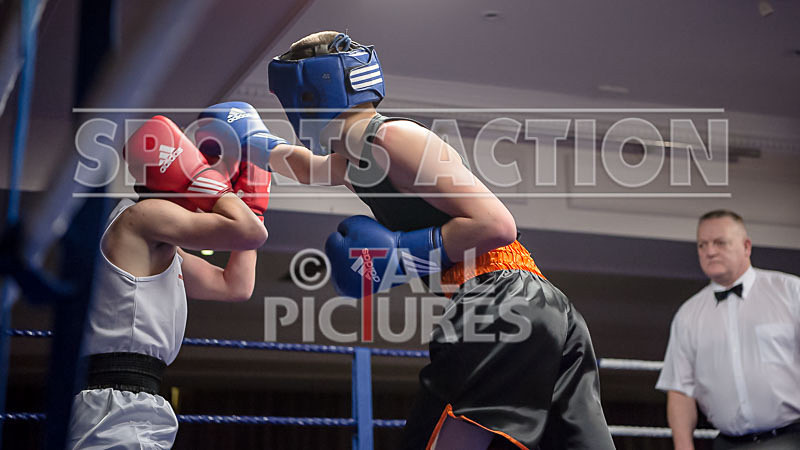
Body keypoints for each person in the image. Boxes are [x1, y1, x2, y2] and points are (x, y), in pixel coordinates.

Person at [196, 31, 614, 449]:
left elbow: (497, 225)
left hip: (503, 297)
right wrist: (250, 141)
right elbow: (309, 169)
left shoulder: (393, 138)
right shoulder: (357, 156)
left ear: (305, 94)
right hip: (535, 306)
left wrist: (400, 256)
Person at [67, 115, 269, 449]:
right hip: (115, 404)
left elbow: (235, 285)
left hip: (131, 400)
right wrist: (219, 189)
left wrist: (252, 206)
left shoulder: (154, 241)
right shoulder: (142, 218)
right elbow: (249, 232)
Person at [656, 210, 800, 450]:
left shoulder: (791, 292)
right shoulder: (688, 315)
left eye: (720, 242)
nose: (710, 251)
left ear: (746, 246)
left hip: (792, 438)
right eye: (702, 245)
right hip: (727, 443)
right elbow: (680, 391)